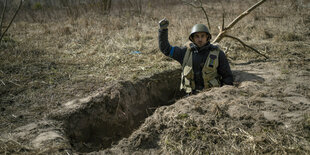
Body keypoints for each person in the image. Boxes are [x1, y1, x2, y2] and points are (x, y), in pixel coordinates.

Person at [158, 18, 233, 94]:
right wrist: (163, 30)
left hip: (212, 96)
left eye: (202, 36)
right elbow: (166, 49)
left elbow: (227, 77)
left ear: (207, 37)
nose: (200, 39)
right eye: (197, 36)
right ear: (192, 38)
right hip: (191, 97)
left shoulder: (218, 54)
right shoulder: (184, 52)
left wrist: (224, 95)